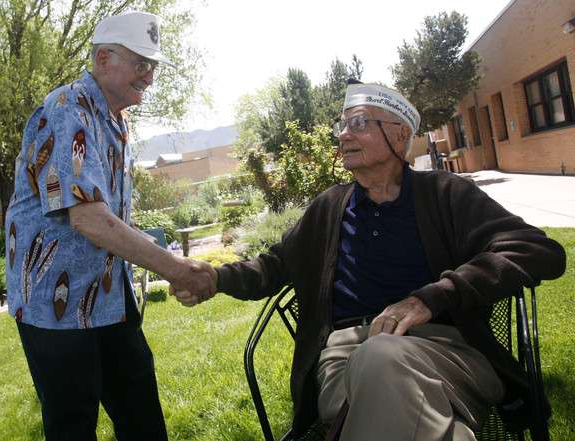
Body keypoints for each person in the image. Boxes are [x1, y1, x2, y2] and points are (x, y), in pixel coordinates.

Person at [171, 81, 566, 440]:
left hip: (444, 354)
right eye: (341, 125)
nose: (344, 134)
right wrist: (217, 277)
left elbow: (537, 250)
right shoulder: (329, 207)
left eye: (359, 122)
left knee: (382, 357)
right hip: (343, 359)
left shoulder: (445, 194)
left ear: (399, 135)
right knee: (378, 363)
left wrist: (432, 298)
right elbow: (273, 267)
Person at [5, 11, 213, 441]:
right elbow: (89, 218)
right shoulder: (67, 110)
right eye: (141, 64)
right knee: (72, 424)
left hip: (107, 297)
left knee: (141, 414)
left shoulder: (115, 119)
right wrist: (175, 268)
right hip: (54, 306)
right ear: (103, 59)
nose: (150, 77)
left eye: (152, 66)